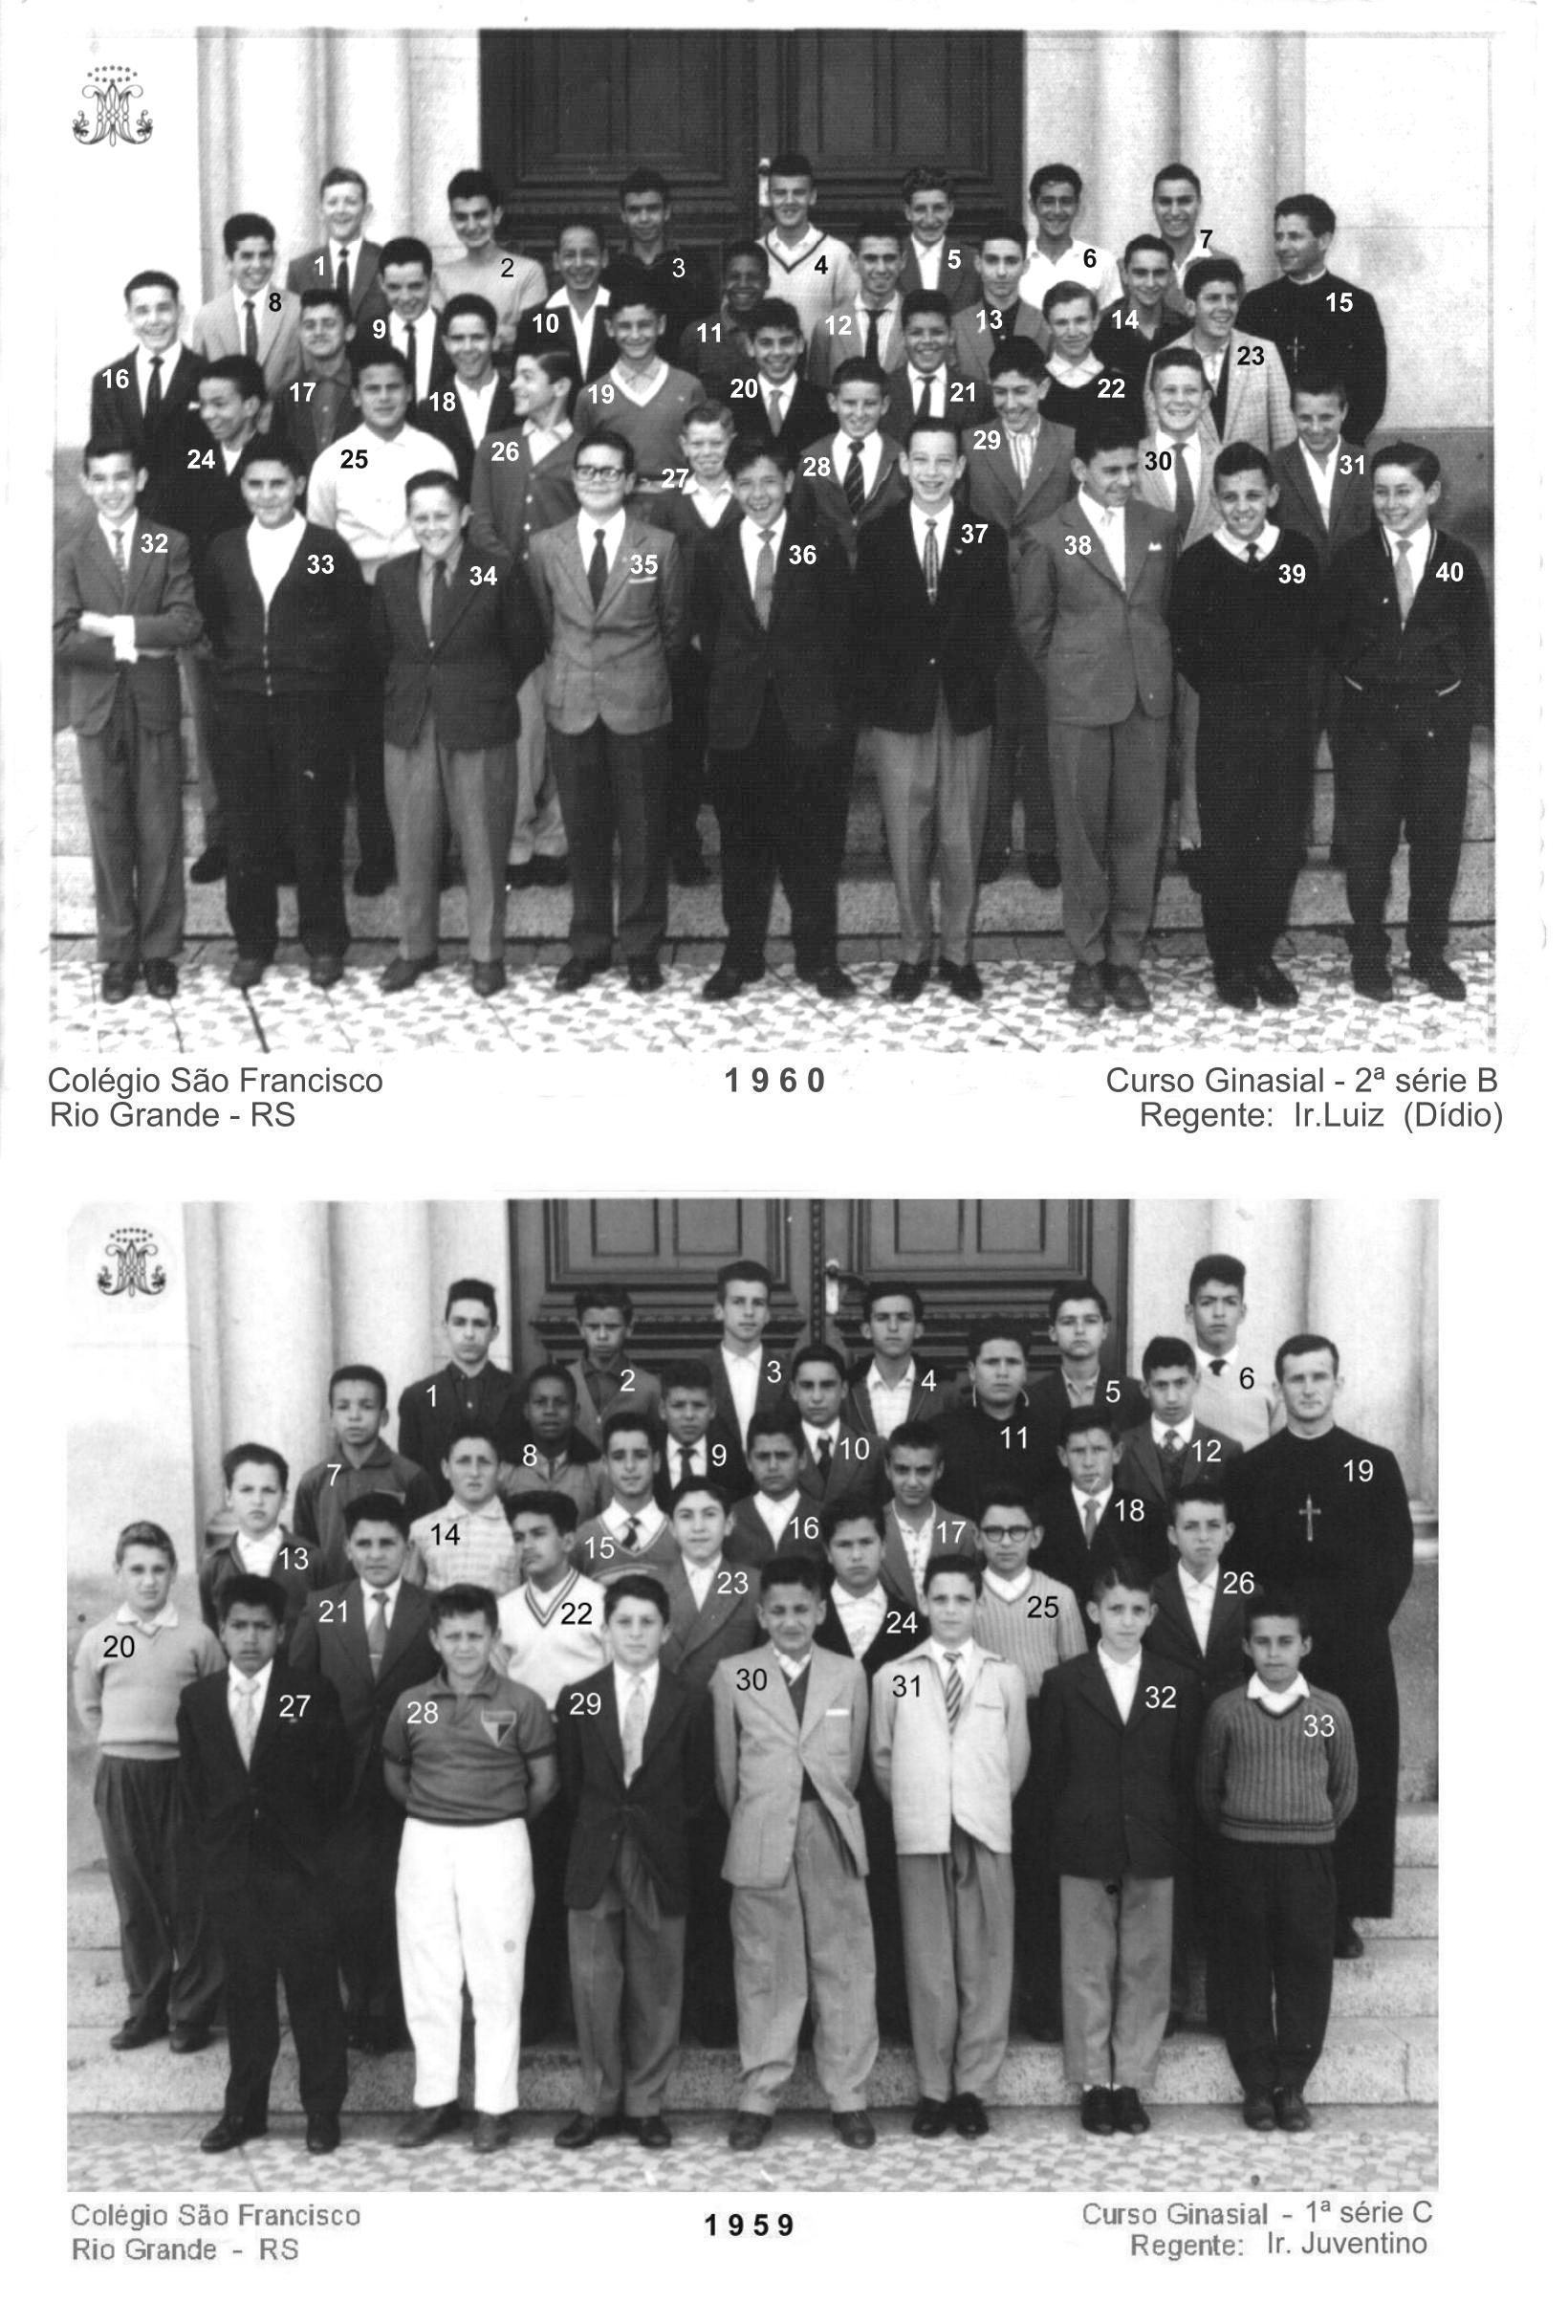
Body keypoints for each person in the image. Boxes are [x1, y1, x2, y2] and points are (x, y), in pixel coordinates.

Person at [1227, 1335, 1414, 1957]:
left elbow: (1394, 1562)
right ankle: (1280, 1908)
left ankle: (1343, 1911)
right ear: (1278, 1389)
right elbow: (1241, 1566)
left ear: (1338, 1383)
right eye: (1295, 1379)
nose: (1308, 1389)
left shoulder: (1373, 1463)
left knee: (1351, 1775)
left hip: (1353, 1649)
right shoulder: (1253, 1469)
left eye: (1319, 1377)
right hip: (1276, 1653)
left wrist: (1348, 1628)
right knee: (1280, 1773)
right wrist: (1271, 1641)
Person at [178, 1574, 353, 2154]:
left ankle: (322, 2111)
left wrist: (312, 1848)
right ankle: (245, 2111)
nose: (250, 1638)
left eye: (262, 1627)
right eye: (238, 1626)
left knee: (312, 1992)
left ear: (281, 1632)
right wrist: (215, 1851)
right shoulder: (198, 1700)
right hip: (234, 1870)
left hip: (297, 1869)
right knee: (247, 1994)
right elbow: (197, 1786)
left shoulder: (310, 1691)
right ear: (221, 1632)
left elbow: (335, 1778)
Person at [383, 1583, 557, 2153]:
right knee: (429, 1974)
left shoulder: (522, 1702)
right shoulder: (411, 1702)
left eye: (475, 1635)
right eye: (452, 1635)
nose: (464, 1646)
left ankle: (494, 2106)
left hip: (499, 1841)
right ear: (434, 1638)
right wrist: (437, 1814)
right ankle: (435, 2100)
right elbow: (395, 1773)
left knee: (496, 1977)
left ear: (494, 1637)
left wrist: (493, 1817)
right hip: (427, 1840)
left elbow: (544, 1783)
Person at [713, 1553, 879, 2152]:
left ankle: (849, 2095)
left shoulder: (846, 1673)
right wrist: (757, 1818)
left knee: (845, 1962)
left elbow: (853, 1761)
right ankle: (760, 2094)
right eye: (777, 1610)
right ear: (760, 1613)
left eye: (801, 1610)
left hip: (829, 1829)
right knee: (764, 1966)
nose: (789, 1621)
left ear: (821, 1611)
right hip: (760, 1832)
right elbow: (726, 1774)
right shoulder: (737, 1673)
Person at [1013, 418, 1178, 1018]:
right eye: (1111, 471)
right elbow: (1033, 627)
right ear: (1081, 470)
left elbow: (1165, 607)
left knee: (1139, 831)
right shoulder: (1049, 534)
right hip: (1079, 704)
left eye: (1132, 469)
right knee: (1081, 833)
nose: (1125, 481)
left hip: (1146, 699)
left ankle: (1125, 960)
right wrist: (1071, 675)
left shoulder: (1159, 526)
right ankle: (1087, 958)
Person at [1033, 1558, 1200, 2134]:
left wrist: (1169, 1827)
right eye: (1115, 1610)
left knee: (1146, 1963)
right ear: (1092, 1612)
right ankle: (1092, 2081)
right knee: (1086, 1963)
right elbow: (1051, 1771)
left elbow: (1182, 1768)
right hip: (1084, 1839)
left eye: (1137, 1611)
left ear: (1152, 1614)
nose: (1126, 1622)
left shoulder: (1175, 1682)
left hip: (1152, 1837)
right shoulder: (1066, 1681)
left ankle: (1129, 2079)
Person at [1321, 440, 1492, 1001]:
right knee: (1369, 846)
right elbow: (1332, 641)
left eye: (1404, 492)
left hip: (1438, 728)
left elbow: (1476, 644)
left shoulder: (1459, 560)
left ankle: (1427, 953)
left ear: (1432, 494)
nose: (1391, 504)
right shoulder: (1352, 559)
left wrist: (1469, 714)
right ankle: (1369, 953)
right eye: (1381, 492)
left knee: (1437, 843)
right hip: (1369, 728)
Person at [195, 435, 366, 989]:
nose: (267, 495)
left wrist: (314, 673)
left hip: (308, 708)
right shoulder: (223, 548)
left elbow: (348, 622)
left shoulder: (325, 547)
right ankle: (253, 943)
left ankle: (324, 942)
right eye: (255, 484)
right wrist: (236, 672)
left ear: (297, 486)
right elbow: (213, 621)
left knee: (314, 823)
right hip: (242, 706)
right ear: (242, 489)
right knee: (247, 828)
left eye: (277, 484)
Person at [854, 414, 1013, 1003]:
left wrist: (964, 674)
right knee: (908, 832)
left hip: (965, 705)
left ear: (961, 468)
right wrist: (888, 689)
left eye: (944, 461)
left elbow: (997, 623)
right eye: (920, 460)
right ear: (903, 465)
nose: (931, 472)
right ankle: (912, 951)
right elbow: (865, 627)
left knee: (962, 834)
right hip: (901, 709)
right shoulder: (877, 534)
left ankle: (958, 953)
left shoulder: (982, 534)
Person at [553, 1571, 713, 2148]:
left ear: (667, 1629)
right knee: (594, 1982)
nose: (637, 1632)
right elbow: (573, 1784)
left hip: (660, 1853)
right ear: (605, 1628)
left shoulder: (691, 1698)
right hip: (597, 1852)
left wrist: (657, 1828)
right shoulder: (581, 1695)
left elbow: (698, 1787)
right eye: (625, 1621)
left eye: (648, 1622)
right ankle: (596, 2101)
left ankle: (647, 2103)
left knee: (657, 1980)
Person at [872, 1551, 1030, 2138]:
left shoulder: (1003, 1674)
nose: (951, 1609)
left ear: (979, 1604)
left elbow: (1015, 1759)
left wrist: (976, 1800)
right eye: (939, 1599)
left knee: (985, 1963)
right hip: (922, 1831)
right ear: (924, 1603)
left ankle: (974, 2087)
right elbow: (884, 1761)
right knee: (930, 1964)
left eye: (962, 1598)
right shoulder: (897, 1674)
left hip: (986, 1828)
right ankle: (935, 2088)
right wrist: (926, 1803)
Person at [528, 425, 689, 995]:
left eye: (610, 472)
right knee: (585, 830)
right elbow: (546, 625)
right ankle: (589, 944)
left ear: (629, 481)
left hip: (639, 703)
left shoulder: (659, 545)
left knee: (643, 832)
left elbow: (672, 628)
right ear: (574, 478)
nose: (599, 480)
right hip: (572, 702)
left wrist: (636, 673)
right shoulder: (546, 546)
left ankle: (642, 946)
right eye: (588, 470)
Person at [371, 469, 544, 997]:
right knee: (413, 843)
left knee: (485, 845)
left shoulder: (496, 570)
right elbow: (382, 648)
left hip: (481, 721)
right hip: (411, 724)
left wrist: (482, 688)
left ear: (464, 515)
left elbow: (526, 643)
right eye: (420, 517)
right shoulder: (392, 575)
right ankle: (415, 949)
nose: (431, 526)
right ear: (408, 520)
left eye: (441, 515)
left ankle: (487, 955)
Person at [696, 433, 856, 1000]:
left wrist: (829, 712)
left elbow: (842, 632)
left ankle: (818, 956)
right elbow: (707, 635)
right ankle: (742, 955)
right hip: (741, 721)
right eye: (745, 484)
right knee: (742, 843)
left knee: (810, 843)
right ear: (731, 487)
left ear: (789, 482)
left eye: (768, 481)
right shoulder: (713, 549)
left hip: (806, 719)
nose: (758, 494)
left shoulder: (819, 542)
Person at [1197, 1592, 1359, 2131]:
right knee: (1245, 1967)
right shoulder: (1227, 1711)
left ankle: (1292, 2084)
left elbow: (1345, 1788)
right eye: (1262, 1642)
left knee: (1305, 1968)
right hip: (1243, 1855)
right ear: (1246, 1646)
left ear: (1305, 1646)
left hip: (1307, 1859)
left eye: (1285, 1641)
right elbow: (1208, 1788)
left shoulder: (1327, 1712)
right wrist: (1244, 1824)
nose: (1273, 1653)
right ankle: (1257, 2086)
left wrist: (1309, 1825)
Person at [1170, 441, 1321, 1009]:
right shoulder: (1199, 564)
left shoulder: (1298, 555)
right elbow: (1187, 647)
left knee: (1278, 843)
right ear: (1216, 499)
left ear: (1273, 496)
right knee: (1228, 845)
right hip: (1225, 725)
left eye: (1253, 495)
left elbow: (1312, 632)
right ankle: (1229, 960)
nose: (1242, 507)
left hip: (1284, 724)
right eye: (1230, 497)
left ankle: (1261, 953)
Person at [289, 1495, 442, 2054]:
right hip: (340, 1778)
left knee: (408, 1898)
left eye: (388, 1543)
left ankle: (398, 2008)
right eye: (365, 1544)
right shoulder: (323, 1608)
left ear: (406, 1548)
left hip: (414, 1778)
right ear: (348, 1549)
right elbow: (296, 1691)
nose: (377, 1554)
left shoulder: (433, 1609)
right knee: (351, 1896)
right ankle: (362, 2001)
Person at [306, 340, 456, 900]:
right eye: (373, 388)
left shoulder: (435, 454)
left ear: (410, 390)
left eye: (395, 386)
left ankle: (433, 856)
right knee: (369, 737)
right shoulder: (337, 459)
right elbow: (320, 538)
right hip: (362, 605)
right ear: (358, 395)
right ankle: (376, 854)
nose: (385, 397)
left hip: (423, 601)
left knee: (428, 731)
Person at [55, 437, 202, 1003]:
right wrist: (136, 639)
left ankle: (160, 951)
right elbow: (63, 636)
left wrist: (109, 626)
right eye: (101, 479)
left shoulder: (171, 544)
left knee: (160, 828)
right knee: (108, 831)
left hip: (153, 707)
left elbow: (185, 623)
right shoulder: (71, 550)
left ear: (140, 479)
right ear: (86, 484)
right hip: (96, 709)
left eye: (123, 477)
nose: (112, 489)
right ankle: (118, 952)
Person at [73, 1521, 226, 2052]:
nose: (148, 1581)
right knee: (136, 1898)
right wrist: (122, 1745)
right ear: (119, 1573)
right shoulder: (104, 1637)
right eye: (136, 1569)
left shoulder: (197, 1637)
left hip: (182, 1776)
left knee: (190, 1896)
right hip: (123, 1775)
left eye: (159, 1569)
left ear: (174, 1572)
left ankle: (193, 2012)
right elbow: (91, 1705)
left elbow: (216, 1706)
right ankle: (147, 2010)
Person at [969, 1493, 1085, 2041]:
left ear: (1036, 1536)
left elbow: (1077, 1678)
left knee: (1041, 1876)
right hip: (982, 1738)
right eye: (995, 1531)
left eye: (1017, 1531)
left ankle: (1042, 2002)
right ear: (978, 1538)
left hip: (1046, 1738)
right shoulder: (964, 1598)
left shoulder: (1057, 1598)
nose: (1006, 1542)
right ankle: (990, 2007)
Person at [495, 1489, 608, 2041]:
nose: (527, 1545)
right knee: (530, 1884)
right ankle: (537, 2010)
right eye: (518, 1536)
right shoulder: (503, 1610)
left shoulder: (599, 1599)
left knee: (585, 1884)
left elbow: (616, 1681)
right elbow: (495, 1695)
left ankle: (587, 2012)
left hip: (586, 1751)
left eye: (538, 1534)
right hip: (528, 1755)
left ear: (567, 1540)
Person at [964, 339, 1076, 887]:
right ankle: (991, 840)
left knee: (1043, 730)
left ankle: (1043, 842)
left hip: (1049, 605)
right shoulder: (972, 442)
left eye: (1021, 392)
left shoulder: (1068, 443)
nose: (1010, 403)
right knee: (993, 733)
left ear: (1044, 388)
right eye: (1000, 392)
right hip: (987, 605)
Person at [468, 343, 577, 897]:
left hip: (570, 609)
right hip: (512, 613)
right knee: (520, 728)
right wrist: (507, 575)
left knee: (567, 725)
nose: (515, 386)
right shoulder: (497, 447)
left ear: (559, 388)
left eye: (527, 376)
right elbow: (481, 520)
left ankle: (556, 840)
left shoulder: (585, 450)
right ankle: (514, 841)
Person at [817, 1496, 926, 2041]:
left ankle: (894, 2011)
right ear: (828, 1551)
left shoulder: (912, 1620)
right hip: (823, 1788)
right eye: (844, 1545)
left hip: (889, 1786)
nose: (857, 1555)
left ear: (883, 1547)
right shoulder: (810, 1616)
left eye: (866, 1543)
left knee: (888, 1901)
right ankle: (828, 2023)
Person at [1147, 1480, 1251, 2026]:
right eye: (1191, 1526)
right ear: (1172, 1533)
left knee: (1230, 1876)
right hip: (1169, 1752)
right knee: (1172, 1878)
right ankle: (1172, 1998)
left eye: (1213, 1526)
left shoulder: (1249, 1593)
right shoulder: (1152, 1595)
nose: (1203, 1537)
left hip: (1235, 1755)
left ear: (1229, 1531)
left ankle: (1226, 2003)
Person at [659, 1478, 756, 2048]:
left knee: (727, 1882)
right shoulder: (648, 1587)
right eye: (687, 1515)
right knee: (676, 1879)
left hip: (733, 1747)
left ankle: (722, 2001)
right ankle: (677, 2007)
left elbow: (763, 1668)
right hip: (666, 1748)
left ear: (730, 1523)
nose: (698, 1525)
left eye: (709, 1513)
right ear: (671, 1527)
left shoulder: (754, 1585)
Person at [637, 398, 740, 887]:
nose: (706, 453)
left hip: (740, 651)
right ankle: (684, 847)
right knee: (683, 754)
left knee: (736, 753)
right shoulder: (665, 507)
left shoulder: (748, 497)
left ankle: (745, 846)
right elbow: (652, 574)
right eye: (696, 444)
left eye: (715, 443)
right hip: (684, 650)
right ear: (682, 446)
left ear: (730, 442)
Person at [1272, 373, 1374, 858]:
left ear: (1344, 413)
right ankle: (1292, 836)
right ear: (1292, 415)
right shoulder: (1276, 466)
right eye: (1305, 417)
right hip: (1296, 629)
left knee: (1352, 737)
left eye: (1326, 417)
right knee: (1294, 738)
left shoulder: (1366, 463)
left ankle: (1348, 839)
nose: (1315, 427)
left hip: (1353, 629)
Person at [1137, 347, 1221, 868]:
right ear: (1151, 396)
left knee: (1198, 729)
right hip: (1147, 615)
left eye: (1191, 390)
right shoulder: (1135, 457)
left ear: (1208, 397)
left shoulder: (1229, 457)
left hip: (1208, 620)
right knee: (1147, 731)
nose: (1180, 400)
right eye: (1169, 390)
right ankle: (1144, 843)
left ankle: (1193, 832)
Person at [1237, 196, 1387, 445]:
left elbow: (1371, 393)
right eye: (1279, 237)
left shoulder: (1356, 304)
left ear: (1324, 240)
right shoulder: (1257, 304)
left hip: (1336, 448)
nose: (1282, 246)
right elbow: (1244, 383)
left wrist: (1330, 443)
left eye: (1294, 237)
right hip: (1271, 450)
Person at [293, 1364, 441, 1562]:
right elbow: (304, 1552)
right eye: (343, 1407)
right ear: (332, 1417)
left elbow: (432, 1543)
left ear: (383, 1417)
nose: (354, 1416)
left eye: (367, 1406)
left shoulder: (410, 1477)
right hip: (332, 1592)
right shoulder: (314, 1481)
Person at [198, 1442, 345, 1637]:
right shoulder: (215, 1566)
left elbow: (331, 1632)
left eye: (268, 1491)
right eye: (246, 1490)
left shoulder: (311, 1560)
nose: (257, 1500)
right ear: (229, 1497)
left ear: (284, 1498)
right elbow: (213, 1635)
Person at [397, 1276, 528, 1484]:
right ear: (444, 1327)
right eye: (459, 1323)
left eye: (479, 1324)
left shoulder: (522, 1392)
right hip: (440, 1514)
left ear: (494, 1332)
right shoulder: (418, 1397)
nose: (468, 1334)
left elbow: (529, 1462)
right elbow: (411, 1476)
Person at [1156, 259, 1296, 453]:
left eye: (1231, 298)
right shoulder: (1162, 361)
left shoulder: (1264, 352)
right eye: (1213, 298)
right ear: (1190, 306)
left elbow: (1285, 437)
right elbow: (1158, 442)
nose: (1224, 307)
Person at [1034, 1404, 1160, 1613]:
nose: (1089, 1462)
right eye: (1078, 1451)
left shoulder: (1147, 1516)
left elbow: (1154, 1588)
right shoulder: (1041, 1514)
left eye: (1099, 1450)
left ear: (1117, 1453)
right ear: (1063, 1456)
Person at [577, 286, 705, 482]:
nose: (635, 335)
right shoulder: (591, 395)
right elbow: (582, 463)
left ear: (660, 325)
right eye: (625, 326)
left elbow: (704, 454)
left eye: (644, 325)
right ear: (610, 328)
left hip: (678, 501)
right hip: (614, 501)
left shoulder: (689, 387)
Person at [90, 269, 206, 485]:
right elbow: (104, 455)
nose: (154, 320)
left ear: (179, 312)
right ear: (129, 317)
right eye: (142, 311)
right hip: (132, 509)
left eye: (163, 309)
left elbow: (211, 458)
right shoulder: (109, 380)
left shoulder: (208, 374)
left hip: (193, 507)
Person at [935, 1319, 1058, 1520]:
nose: (1002, 1372)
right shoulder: (942, 1432)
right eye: (992, 1362)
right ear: (972, 1371)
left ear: (1026, 1370)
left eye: (1012, 1362)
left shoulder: (1049, 1432)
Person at [795, 356, 906, 568]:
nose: (859, 413)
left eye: (870, 404)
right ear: (832, 402)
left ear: (884, 405)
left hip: (886, 574)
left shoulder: (900, 458)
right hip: (827, 577)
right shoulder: (813, 459)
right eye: (849, 403)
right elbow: (799, 524)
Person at [1121, 1337, 1242, 1524]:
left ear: (1197, 1382)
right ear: (1145, 1389)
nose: (1171, 1397)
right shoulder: (1121, 1448)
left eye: (1180, 1383)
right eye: (1161, 1385)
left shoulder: (1226, 1451)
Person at [605, 166, 715, 362]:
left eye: (652, 208)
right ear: (622, 215)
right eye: (635, 210)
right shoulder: (608, 270)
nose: (644, 218)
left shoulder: (694, 266)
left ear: (667, 212)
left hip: (683, 375)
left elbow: (708, 329)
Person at [191, 212, 302, 398]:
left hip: (284, 423)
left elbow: (307, 379)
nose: (257, 265)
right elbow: (199, 383)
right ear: (228, 262)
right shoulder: (207, 317)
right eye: (247, 256)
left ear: (274, 258)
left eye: (264, 255)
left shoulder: (296, 309)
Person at [436, 167, 546, 353]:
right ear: (452, 220)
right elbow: (439, 340)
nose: (471, 226)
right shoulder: (440, 276)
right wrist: (505, 332)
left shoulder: (527, 271)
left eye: (480, 215)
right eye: (462, 217)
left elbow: (534, 336)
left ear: (496, 215)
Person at [416, 296, 513, 497]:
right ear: (445, 343)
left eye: (477, 337)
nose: (467, 348)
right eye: (458, 339)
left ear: (495, 342)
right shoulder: (429, 409)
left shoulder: (519, 398)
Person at [408, 1426, 521, 1595]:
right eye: (463, 1462)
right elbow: (409, 1595)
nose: (474, 1473)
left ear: (501, 1470)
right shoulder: (424, 1528)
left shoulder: (517, 1528)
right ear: (446, 1469)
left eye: (484, 1462)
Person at [1185, 1255, 1283, 1449]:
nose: (1219, 1313)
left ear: (1242, 1312)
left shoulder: (1268, 1376)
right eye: (1207, 1302)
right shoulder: (1175, 1377)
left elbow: (1284, 1450)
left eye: (1230, 1302)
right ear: (1190, 1313)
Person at [1034, 1277, 1150, 1439]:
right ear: (1052, 1332)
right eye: (1068, 1322)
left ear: (1104, 1330)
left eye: (1090, 1321)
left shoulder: (1134, 1396)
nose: (1080, 1330)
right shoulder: (1032, 1399)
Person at [759, 151, 857, 344]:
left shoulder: (837, 254)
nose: (789, 201)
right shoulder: (755, 255)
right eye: (780, 193)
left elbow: (851, 326)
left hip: (821, 371)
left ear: (812, 196)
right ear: (769, 197)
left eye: (798, 193)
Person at [571, 1412, 677, 1581]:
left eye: (640, 1455)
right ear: (605, 1465)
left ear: (656, 1462)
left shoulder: (681, 1535)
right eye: (619, 1457)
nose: (630, 1466)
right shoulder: (583, 1540)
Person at [729, 297, 834, 467]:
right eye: (766, 343)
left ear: (800, 344)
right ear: (750, 346)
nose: (777, 352)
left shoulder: (824, 403)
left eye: (786, 342)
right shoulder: (730, 401)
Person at [882, 1420, 979, 1602]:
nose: (912, 1482)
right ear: (888, 1469)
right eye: (902, 1470)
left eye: (923, 1471)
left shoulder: (964, 1531)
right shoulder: (870, 1527)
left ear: (939, 1470)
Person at [518, 215, 616, 393]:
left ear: (604, 258)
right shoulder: (535, 318)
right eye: (569, 255)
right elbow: (523, 384)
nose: (579, 264)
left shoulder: (621, 313)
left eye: (588, 254)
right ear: (556, 261)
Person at [806, 216, 906, 387]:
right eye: (870, 259)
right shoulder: (829, 325)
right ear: (854, 262)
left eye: (889, 258)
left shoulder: (917, 322)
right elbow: (819, 394)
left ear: (902, 261)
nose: (881, 269)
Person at [287, 165, 389, 328]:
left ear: (366, 211)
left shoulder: (386, 261)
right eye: (332, 203)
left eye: (351, 202)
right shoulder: (301, 269)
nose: (341, 210)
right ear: (321, 212)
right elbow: (291, 325)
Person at [951, 217, 1049, 385]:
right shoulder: (957, 326)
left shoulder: (1044, 325)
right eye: (992, 260)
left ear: (1025, 266)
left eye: (1011, 261)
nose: (1001, 272)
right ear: (978, 263)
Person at [882, 292, 988, 443]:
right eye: (916, 333)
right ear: (903, 338)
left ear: (951, 336)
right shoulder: (882, 390)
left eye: (936, 332)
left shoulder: (978, 394)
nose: (927, 341)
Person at [567, 1285, 663, 1451]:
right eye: (593, 1327)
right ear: (580, 1328)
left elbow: (658, 1445)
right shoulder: (564, 1381)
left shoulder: (649, 1387)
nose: (602, 1336)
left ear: (629, 1328)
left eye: (611, 1327)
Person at [1093, 237, 1187, 404]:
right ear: (1125, 275)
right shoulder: (1102, 330)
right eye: (1140, 273)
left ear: (1171, 276)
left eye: (1159, 273)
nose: (1150, 283)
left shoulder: (1185, 329)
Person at [848, 1280, 946, 1441]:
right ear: (866, 1330)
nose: (893, 1327)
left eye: (903, 1318)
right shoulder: (847, 1387)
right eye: (882, 1318)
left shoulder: (943, 1387)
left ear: (918, 1329)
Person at [789, 1344, 885, 1503]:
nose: (817, 1397)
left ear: (844, 1390)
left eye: (827, 1385)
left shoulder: (874, 1450)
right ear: (793, 1391)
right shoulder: (775, 1450)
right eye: (807, 1386)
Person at [703, 1259, 785, 1443]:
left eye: (758, 1303)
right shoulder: (700, 1371)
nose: (749, 1312)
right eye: (738, 1302)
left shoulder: (786, 1372)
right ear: (719, 1311)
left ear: (768, 1314)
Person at [506, 1366, 604, 1519]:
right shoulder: (506, 1471)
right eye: (540, 1402)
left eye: (560, 1402)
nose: (550, 1411)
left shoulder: (597, 1472)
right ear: (526, 1411)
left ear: (575, 1412)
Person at [1019, 162, 1116, 314]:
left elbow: (1111, 321)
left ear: (1077, 206)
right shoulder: (1015, 259)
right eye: (1048, 202)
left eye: (1066, 202)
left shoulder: (1101, 260)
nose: (1057, 211)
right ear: (1032, 206)